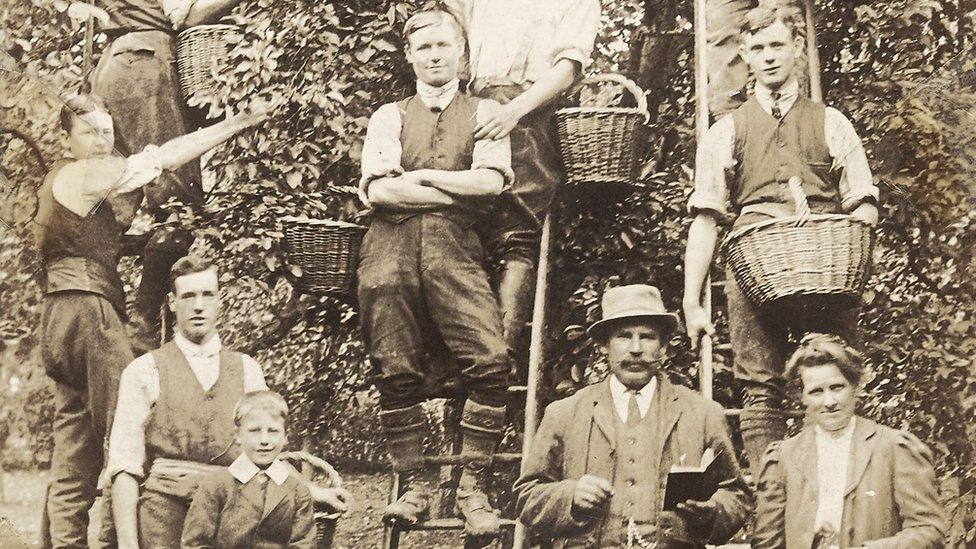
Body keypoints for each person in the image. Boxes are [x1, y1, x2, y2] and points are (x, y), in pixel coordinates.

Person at [31, 95, 266, 549]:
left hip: (58, 317)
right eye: (89, 132)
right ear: (65, 138)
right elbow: (159, 160)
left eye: (106, 131)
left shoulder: (60, 186)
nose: (102, 141)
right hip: (89, 311)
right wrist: (235, 123)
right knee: (125, 432)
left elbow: (93, 241)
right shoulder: (83, 173)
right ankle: (119, 540)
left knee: (74, 448)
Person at [682, 4, 880, 476]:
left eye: (777, 46)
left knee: (835, 372)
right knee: (758, 385)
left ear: (796, 50)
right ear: (744, 56)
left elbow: (864, 204)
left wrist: (852, 255)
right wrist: (691, 301)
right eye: (757, 48)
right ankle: (773, 496)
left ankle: (839, 483)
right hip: (755, 264)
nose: (769, 57)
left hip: (826, 260)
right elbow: (706, 218)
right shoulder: (726, 130)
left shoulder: (832, 122)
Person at [357, 8, 515, 536]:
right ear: (409, 57)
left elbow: (491, 182)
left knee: (489, 360)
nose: (435, 55)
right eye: (423, 48)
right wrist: (453, 183)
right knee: (394, 363)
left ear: (462, 54)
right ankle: (415, 485)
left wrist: (420, 175)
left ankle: (473, 485)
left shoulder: (486, 112)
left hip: (455, 247)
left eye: (444, 46)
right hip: (390, 249)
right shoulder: (389, 116)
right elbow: (378, 189)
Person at [105, 255, 348, 548]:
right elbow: (124, 467)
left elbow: (265, 450)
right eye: (188, 296)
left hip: (232, 515)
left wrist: (312, 491)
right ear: (172, 302)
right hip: (164, 517)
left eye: (207, 295)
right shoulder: (144, 370)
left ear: (220, 300)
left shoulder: (246, 369)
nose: (198, 306)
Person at [514, 284, 752, 548]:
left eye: (647, 337)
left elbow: (737, 494)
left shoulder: (703, 413)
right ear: (604, 346)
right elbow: (527, 497)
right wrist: (571, 495)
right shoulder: (564, 413)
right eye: (624, 336)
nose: (636, 348)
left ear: (663, 347)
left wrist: (710, 513)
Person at [443, 0, 600, 370]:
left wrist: (514, 111)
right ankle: (457, 351)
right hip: (472, 104)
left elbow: (566, 69)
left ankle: (499, 355)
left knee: (516, 229)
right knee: (455, 220)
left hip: (528, 110)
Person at [91, 0, 248, 348]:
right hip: (147, 66)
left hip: (115, 64)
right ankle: (141, 325)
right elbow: (184, 14)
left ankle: (102, 316)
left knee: (117, 199)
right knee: (181, 206)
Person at [753, 333, 948, 548]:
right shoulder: (784, 457)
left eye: (837, 387)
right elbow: (767, 543)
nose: (830, 401)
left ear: (855, 386)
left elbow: (929, 531)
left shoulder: (894, 448)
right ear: (802, 397)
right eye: (816, 392)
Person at [181, 390, 316, 548]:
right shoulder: (216, 485)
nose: (264, 440)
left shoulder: (298, 491)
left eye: (273, 431)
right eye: (254, 431)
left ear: (285, 437)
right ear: (237, 435)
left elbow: (304, 544)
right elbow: (196, 543)